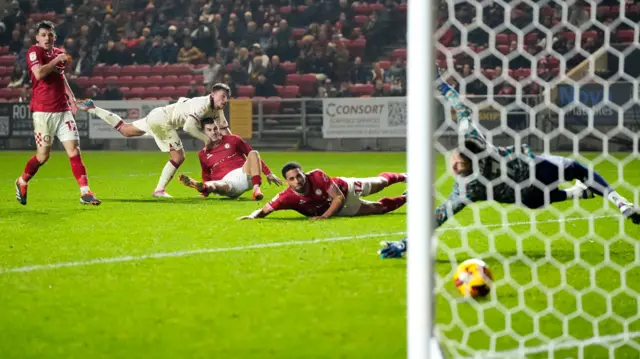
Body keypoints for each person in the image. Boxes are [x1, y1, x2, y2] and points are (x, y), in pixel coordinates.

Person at [378, 72, 640, 259]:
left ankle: (585, 195)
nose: (455, 163)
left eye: (459, 162)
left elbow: (436, 219)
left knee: (538, 194)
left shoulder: (468, 190)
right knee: (578, 169)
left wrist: (404, 244)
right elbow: (462, 108)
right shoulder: (475, 140)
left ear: (467, 166)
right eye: (458, 158)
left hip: (526, 197)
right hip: (536, 172)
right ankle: (617, 201)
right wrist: (440, 83)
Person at [77, 83, 232, 198]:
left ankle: (93, 108)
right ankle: (159, 190)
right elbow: (188, 126)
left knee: (125, 129)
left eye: (227, 98)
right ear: (212, 95)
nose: (225, 100)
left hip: (158, 114)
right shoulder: (203, 105)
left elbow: (224, 128)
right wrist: (207, 140)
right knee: (179, 156)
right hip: (163, 121)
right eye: (222, 96)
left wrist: (231, 145)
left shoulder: (217, 109)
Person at [15, 21, 100, 206]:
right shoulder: (34, 52)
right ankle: (22, 181)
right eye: (43, 35)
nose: (47, 38)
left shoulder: (57, 52)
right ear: (37, 37)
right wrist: (55, 61)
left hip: (63, 110)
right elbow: (38, 74)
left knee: (74, 150)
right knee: (43, 156)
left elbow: (61, 78)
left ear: (54, 36)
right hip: (43, 112)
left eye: (50, 35)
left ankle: (85, 192)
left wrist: (71, 97)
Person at [237, 162, 406, 220]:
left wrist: (324, 216)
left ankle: (404, 176)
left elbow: (338, 197)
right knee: (379, 209)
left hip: (347, 189)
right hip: (340, 211)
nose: (297, 181)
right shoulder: (286, 197)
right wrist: (251, 216)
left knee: (380, 182)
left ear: (304, 174)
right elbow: (265, 210)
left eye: (299, 176)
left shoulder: (317, 175)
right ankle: (407, 197)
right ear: (287, 182)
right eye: (292, 179)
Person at [177, 118, 282, 200]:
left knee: (254, 153)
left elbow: (252, 155)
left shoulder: (233, 139)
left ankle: (256, 191)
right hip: (227, 182)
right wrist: (205, 194)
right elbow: (206, 174)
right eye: (209, 130)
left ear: (218, 128)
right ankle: (201, 186)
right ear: (203, 133)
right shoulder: (203, 154)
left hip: (245, 173)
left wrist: (268, 173)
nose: (213, 132)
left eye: (215, 128)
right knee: (215, 184)